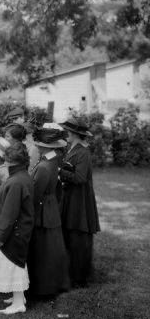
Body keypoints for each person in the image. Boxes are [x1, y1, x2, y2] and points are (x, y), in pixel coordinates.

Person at [0, 142, 34, 314]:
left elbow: (9, 214)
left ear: (9, 161)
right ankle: (19, 297)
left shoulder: (16, 181)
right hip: (20, 229)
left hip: (14, 231)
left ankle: (18, 304)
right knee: (17, 263)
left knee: (14, 265)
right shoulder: (23, 176)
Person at [28, 128, 70, 298]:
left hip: (43, 210)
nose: (36, 146)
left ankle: (44, 287)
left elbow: (35, 192)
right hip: (50, 206)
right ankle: (54, 283)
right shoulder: (52, 160)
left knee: (44, 250)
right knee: (51, 248)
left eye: (38, 144)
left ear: (43, 147)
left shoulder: (44, 166)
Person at [58, 117, 100, 288]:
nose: (65, 133)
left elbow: (81, 178)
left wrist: (60, 171)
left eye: (67, 131)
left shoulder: (83, 152)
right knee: (71, 234)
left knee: (79, 235)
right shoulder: (73, 148)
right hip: (71, 196)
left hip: (80, 199)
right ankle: (73, 272)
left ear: (74, 134)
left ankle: (80, 276)